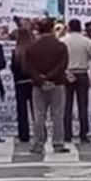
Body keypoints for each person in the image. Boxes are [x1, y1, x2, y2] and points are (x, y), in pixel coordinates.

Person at [24, 19, 70, 154]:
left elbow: (28, 67)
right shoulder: (60, 46)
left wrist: (40, 78)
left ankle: (38, 143)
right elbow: (63, 64)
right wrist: (50, 76)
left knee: (39, 115)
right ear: (52, 29)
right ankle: (58, 143)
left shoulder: (32, 47)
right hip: (57, 83)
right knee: (57, 115)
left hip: (38, 85)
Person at [63, 18, 91, 143]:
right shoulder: (87, 41)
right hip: (82, 73)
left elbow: (60, 59)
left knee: (67, 105)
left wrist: (65, 71)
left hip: (68, 73)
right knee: (83, 105)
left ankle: (67, 133)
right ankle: (83, 133)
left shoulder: (64, 41)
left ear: (69, 27)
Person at [11, 27, 35, 143]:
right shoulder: (34, 50)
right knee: (36, 110)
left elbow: (14, 68)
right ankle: (39, 132)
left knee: (22, 110)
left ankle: (23, 134)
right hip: (33, 82)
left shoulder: (16, 52)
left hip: (20, 83)